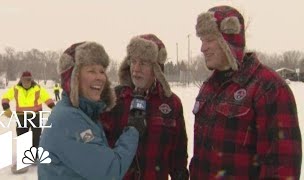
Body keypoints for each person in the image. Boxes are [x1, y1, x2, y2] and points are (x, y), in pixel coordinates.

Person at [189, 5, 302, 179]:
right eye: (201, 40)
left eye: (209, 39)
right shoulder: (208, 88)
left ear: (229, 41)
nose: (203, 48)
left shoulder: (268, 87)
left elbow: (282, 165)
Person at [38, 41, 145, 180]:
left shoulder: (85, 113)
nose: (100, 77)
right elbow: (110, 171)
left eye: (102, 71)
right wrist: (133, 130)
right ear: (73, 78)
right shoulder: (69, 119)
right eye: (91, 71)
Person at [101, 34, 189, 180]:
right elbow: (98, 150)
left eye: (143, 63)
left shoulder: (172, 104)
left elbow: (178, 157)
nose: (136, 69)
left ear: (157, 68)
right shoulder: (114, 98)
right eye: (133, 61)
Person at [1, 71, 55, 173]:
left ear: (31, 80)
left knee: (36, 135)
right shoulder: (15, 89)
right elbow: (5, 98)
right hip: (21, 116)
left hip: (36, 116)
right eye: (25, 80)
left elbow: (47, 99)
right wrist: (6, 108)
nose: (27, 82)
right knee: (22, 137)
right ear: (21, 80)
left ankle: (35, 155)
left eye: (29, 80)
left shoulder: (38, 88)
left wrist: (54, 108)